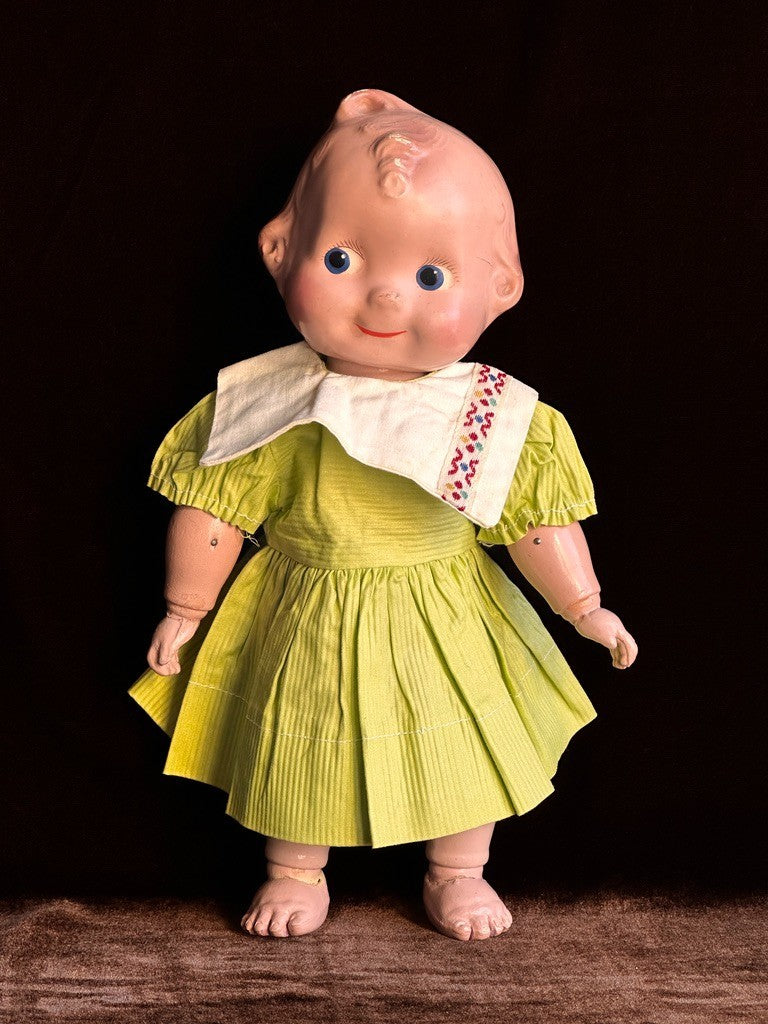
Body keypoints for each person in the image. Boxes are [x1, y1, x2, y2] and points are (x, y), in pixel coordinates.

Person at [130, 88, 638, 942]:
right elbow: (215, 506)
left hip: (446, 609)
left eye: (431, 276)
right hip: (308, 606)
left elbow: (532, 522)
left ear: (502, 288)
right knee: (298, 738)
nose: (385, 298)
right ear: (279, 251)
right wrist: (186, 606)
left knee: (463, 740)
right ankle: (295, 868)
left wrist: (583, 605)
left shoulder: (489, 418)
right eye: (341, 260)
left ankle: (458, 870)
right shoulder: (275, 402)